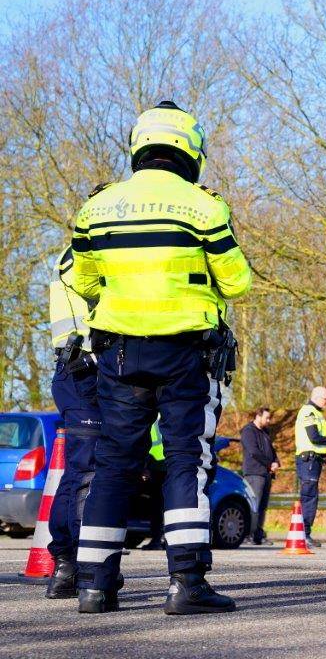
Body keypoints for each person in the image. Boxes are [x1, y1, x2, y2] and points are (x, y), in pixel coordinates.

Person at [70, 100, 251, 615]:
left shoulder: (96, 208)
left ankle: (94, 586)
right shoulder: (204, 208)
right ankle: (186, 583)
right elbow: (237, 281)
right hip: (185, 353)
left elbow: (82, 280)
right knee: (184, 461)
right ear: (191, 150)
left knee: (114, 464)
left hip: (119, 354)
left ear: (138, 146)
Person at [45, 247, 102, 599]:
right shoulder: (85, 252)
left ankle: (67, 564)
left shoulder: (74, 251)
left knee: (78, 473)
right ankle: (83, 562)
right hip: (84, 370)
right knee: (87, 472)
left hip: (76, 369)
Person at [294, 386, 326, 549]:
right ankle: (304, 534)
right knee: (309, 497)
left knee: (310, 496)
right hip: (309, 461)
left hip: (313, 461)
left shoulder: (316, 412)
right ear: (317, 397)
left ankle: (304, 533)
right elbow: (314, 437)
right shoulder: (309, 412)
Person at [240, 407, 279, 545]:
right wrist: (269, 464)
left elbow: (272, 450)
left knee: (262, 506)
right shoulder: (248, 431)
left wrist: (276, 462)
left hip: (266, 473)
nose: (268, 421)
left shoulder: (265, 432)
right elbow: (253, 451)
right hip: (254, 473)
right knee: (254, 506)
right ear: (258, 416)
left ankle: (258, 535)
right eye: (266, 418)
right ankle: (248, 535)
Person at [140, 420, 167, 551]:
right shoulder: (169, 411)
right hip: (169, 463)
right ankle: (165, 539)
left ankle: (157, 539)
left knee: (157, 505)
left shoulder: (151, 413)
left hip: (156, 465)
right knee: (167, 504)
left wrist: (144, 466)